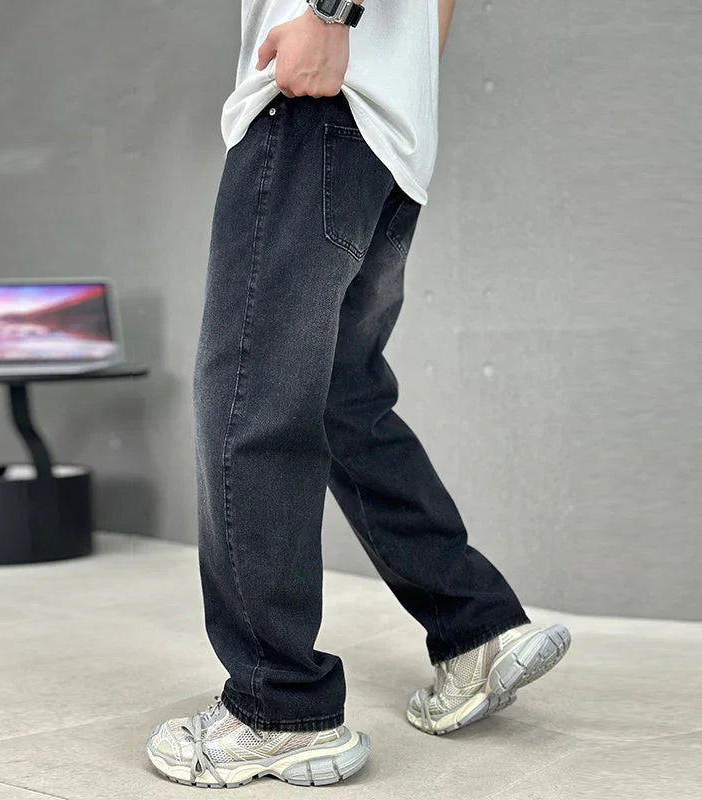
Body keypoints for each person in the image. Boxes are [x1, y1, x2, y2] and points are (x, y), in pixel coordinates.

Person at [146, 0, 571, 788]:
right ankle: (473, 627)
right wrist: (400, 74)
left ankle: (277, 709)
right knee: (343, 400)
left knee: (248, 398)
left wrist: (329, 15)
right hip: (388, 136)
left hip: (313, 104)